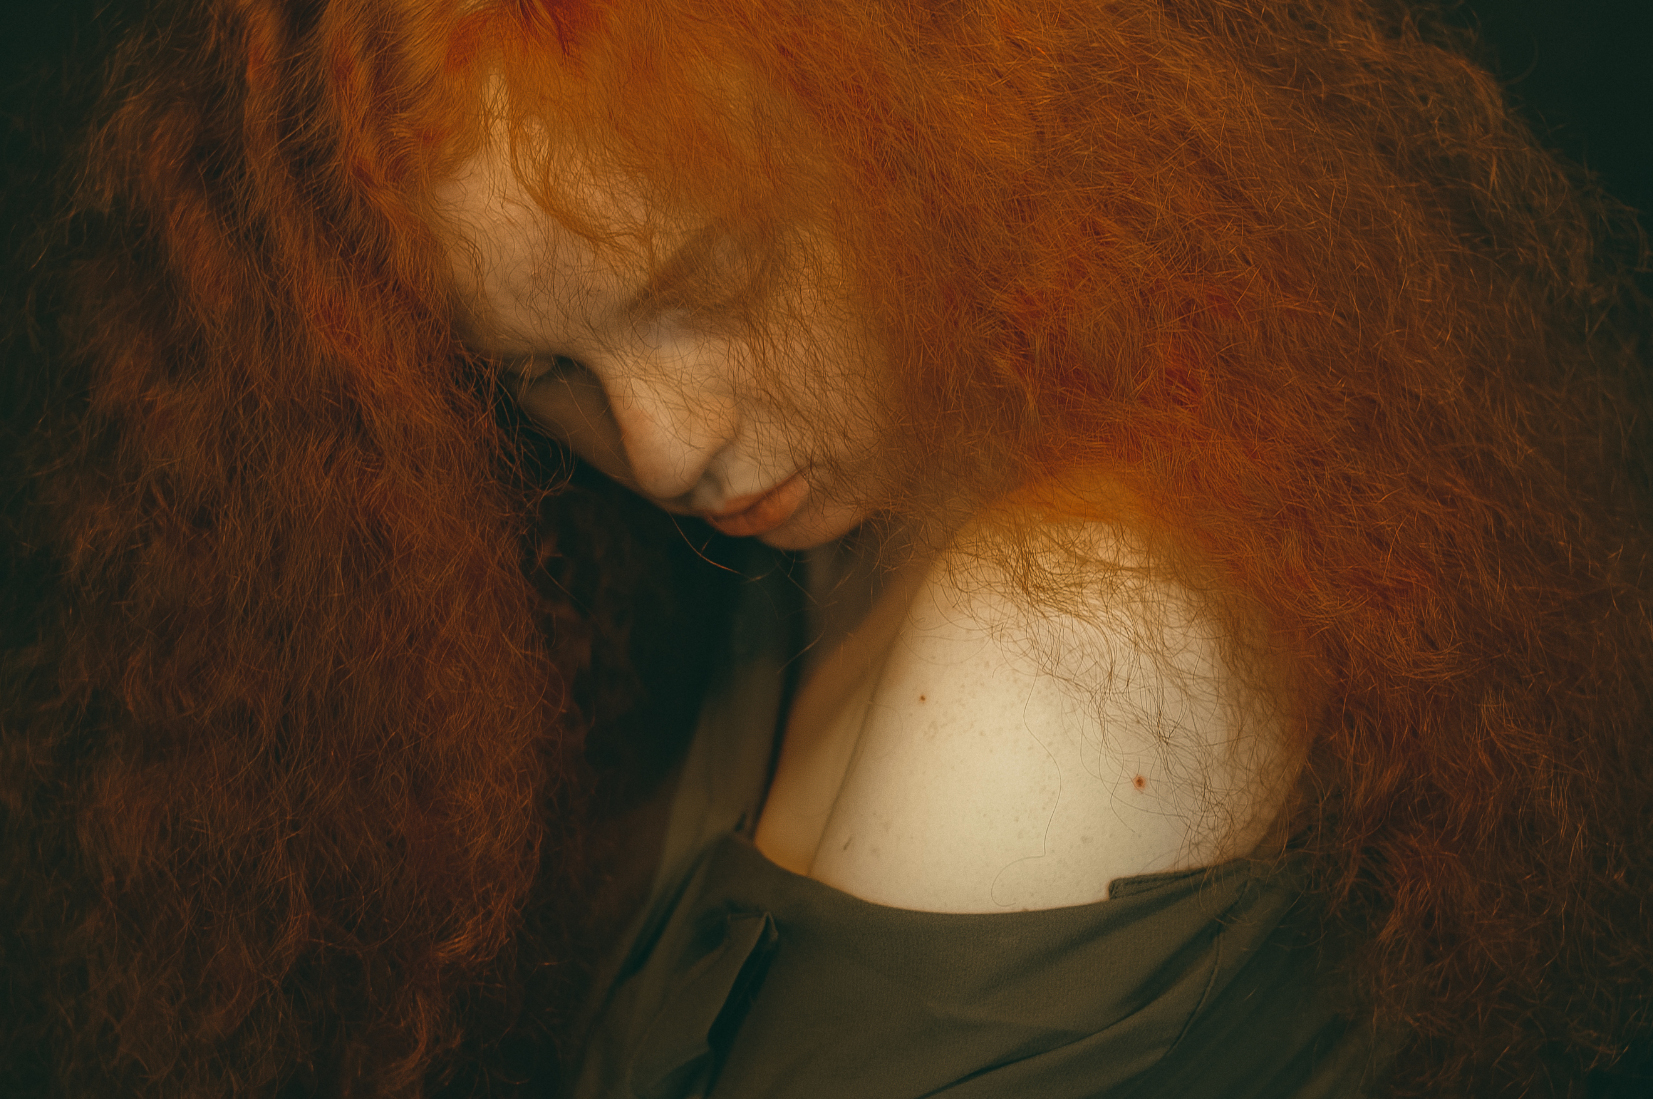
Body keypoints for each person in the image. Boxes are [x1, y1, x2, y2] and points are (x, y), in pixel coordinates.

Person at [3, 0, 1650, 1096]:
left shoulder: (1075, 626)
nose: (660, 448)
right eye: (542, 372)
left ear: (937, 141)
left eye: (710, 285)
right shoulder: (814, 548)